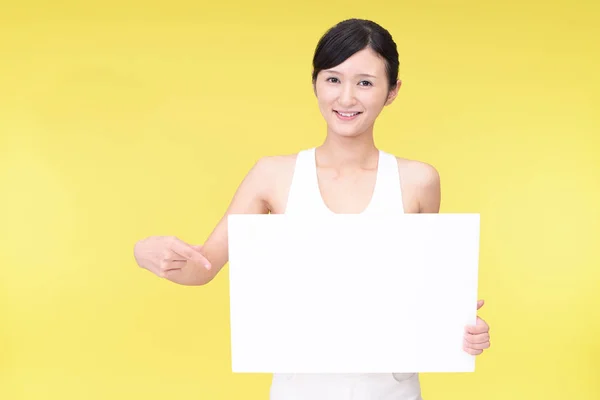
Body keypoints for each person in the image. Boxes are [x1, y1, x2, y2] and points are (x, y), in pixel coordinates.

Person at [133, 18, 491, 400]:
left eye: (365, 82)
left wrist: (462, 324)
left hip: (391, 391)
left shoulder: (419, 181)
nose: (347, 98)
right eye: (333, 79)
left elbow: (418, 292)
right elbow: (203, 266)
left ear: (392, 91)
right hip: (299, 390)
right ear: (315, 83)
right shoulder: (271, 175)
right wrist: (145, 252)